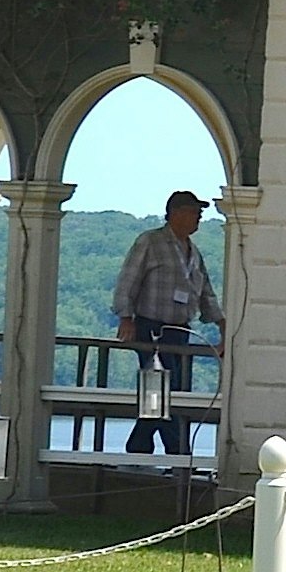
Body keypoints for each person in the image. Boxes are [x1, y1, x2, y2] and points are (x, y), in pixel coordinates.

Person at [113, 191, 216, 456]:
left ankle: (139, 448)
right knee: (163, 393)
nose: (199, 218)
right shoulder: (150, 242)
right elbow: (128, 279)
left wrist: (222, 323)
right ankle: (178, 453)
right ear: (177, 213)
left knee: (169, 394)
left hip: (179, 332)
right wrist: (126, 318)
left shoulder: (194, 252)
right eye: (195, 212)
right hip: (152, 330)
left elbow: (206, 292)